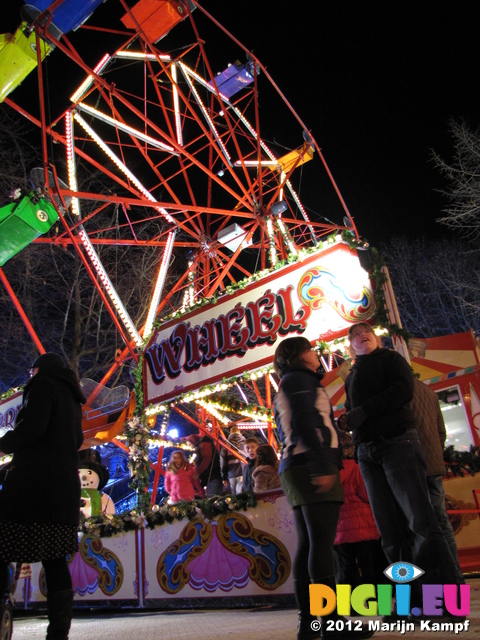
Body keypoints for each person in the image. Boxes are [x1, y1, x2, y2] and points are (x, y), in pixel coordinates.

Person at [342, 322, 460, 592]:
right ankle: (406, 598)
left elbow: (402, 392)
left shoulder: (392, 360)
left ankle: (440, 597)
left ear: (376, 338)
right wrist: (348, 419)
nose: (363, 336)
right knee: (389, 529)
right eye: (357, 335)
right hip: (367, 451)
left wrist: (364, 412)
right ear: (351, 344)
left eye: (367, 332)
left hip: (397, 443)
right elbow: (352, 409)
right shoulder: (351, 376)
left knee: (420, 522)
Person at [273, 336, 372, 640]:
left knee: (309, 544)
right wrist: (320, 464)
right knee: (321, 544)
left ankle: (309, 620)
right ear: (300, 355)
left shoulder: (286, 384)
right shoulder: (301, 380)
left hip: (294, 465)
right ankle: (330, 621)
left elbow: (288, 426)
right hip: (310, 464)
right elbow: (306, 421)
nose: (317, 355)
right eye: (311, 350)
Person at [0, 352, 85, 640]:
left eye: (31, 370)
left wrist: (5, 443)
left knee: (3, 547)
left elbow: (32, 428)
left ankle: (2, 612)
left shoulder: (42, 386)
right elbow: (78, 440)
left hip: (33, 490)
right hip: (62, 493)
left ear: (39, 370)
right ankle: (59, 632)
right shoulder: (74, 399)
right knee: (55, 561)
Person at [411, 377, 464, 582]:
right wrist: (434, 453)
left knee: (421, 525)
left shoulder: (399, 390)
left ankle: (437, 580)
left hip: (413, 465)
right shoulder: (427, 391)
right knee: (442, 521)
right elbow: (441, 431)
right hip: (433, 464)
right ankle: (456, 575)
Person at [333, 429, 386, 587]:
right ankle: (370, 599)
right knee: (368, 566)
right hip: (363, 527)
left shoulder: (331, 473)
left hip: (341, 528)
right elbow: (367, 494)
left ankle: (349, 604)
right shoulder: (357, 468)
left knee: (345, 567)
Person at [220, 426, 245, 494]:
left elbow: (223, 460)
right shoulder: (244, 442)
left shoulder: (226, 443)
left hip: (231, 471)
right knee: (241, 492)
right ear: (239, 432)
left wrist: (224, 476)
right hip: (242, 470)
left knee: (234, 494)